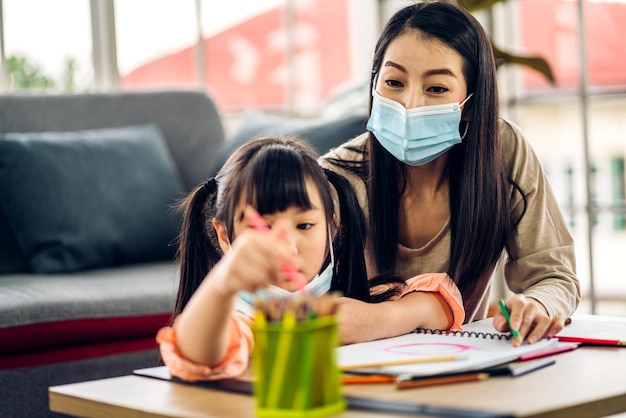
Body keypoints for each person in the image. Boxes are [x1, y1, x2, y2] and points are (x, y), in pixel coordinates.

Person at [320, 1, 580, 346]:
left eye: (437, 88)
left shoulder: (502, 151)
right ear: (373, 84)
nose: (409, 104)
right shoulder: (332, 179)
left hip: (464, 369)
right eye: (394, 82)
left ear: (470, 103)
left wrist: (536, 304)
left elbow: (554, 274)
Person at [157, 136, 464, 381]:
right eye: (261, 228)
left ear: (331, 225)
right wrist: (222, 284)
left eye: (305, 226)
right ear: (225, 236)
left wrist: (380, 320)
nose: (288, 247)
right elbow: (198, 355)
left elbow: (440, 301)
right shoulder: (242, 315)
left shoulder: (344, 293)